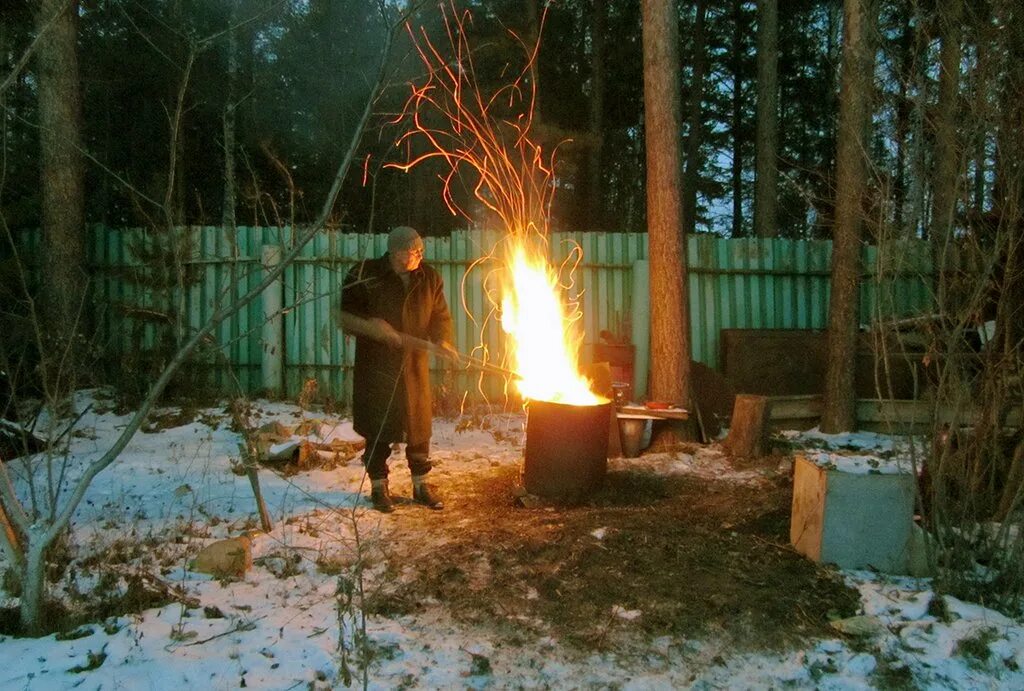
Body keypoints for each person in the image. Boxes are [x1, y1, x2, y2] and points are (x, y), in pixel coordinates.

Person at [337, 226, 456, 512]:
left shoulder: (429, 278)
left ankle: (421, 485)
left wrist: (442, 340)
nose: (415, 257)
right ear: (392, 253)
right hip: (377, 365)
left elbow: (440, 315)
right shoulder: (365, 274)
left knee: (418, 426)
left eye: (418, 252)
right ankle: (379, 487)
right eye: (408, 252)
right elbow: (346, 315)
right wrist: (373, 326)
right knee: (379, 425)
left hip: (414, 364)